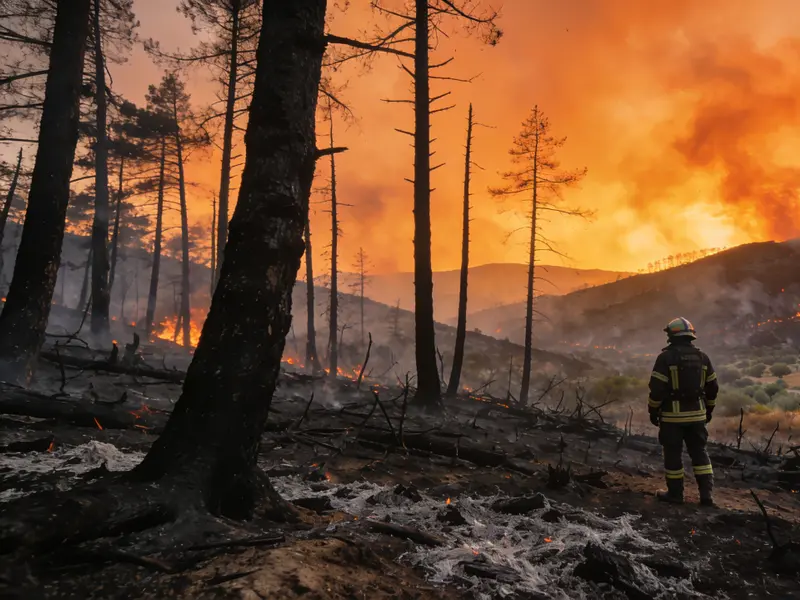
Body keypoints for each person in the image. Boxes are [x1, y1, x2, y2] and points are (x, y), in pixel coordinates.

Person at [647, 317, 719, 506]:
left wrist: (653, 411)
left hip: (672, 418)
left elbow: (656, 389)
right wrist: (708, 409)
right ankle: (706, 496)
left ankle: (675, 495)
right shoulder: (703, 357)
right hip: (697, 416)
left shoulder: (665, 358)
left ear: (671, 335)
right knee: (700, 453)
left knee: (672, 454)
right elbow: (713, 387)